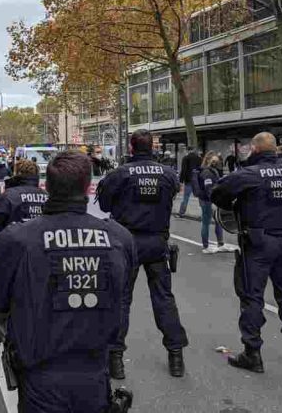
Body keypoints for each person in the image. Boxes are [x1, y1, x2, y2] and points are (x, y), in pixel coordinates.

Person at [0, 151, 135, 413]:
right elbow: (123, 295)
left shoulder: (16, 240)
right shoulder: (118, 237)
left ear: (48, 187)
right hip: (92, 369)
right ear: (87, 186)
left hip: (41, 372)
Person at [210, 132, 282, 373]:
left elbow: (218, 193)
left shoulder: (248, 174)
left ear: (255, 149)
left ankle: (252, 354)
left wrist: (239, 203)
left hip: (257, 243)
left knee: (252, 297)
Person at [97, 128, 188, 379]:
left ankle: (116, 359)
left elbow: (104, 205)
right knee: (164, 299)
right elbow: (171, 196)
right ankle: (176, 355)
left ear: (131, 147)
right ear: (153, 147)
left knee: (121, 300)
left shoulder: (119, 174)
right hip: (157, 242)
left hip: (126, 243)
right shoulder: (168, 174)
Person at [0, 159, 48, 375]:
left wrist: (6, 237)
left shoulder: (9, 195)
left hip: (10, 257)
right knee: (38, 305)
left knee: (1, 307)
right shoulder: (47, 196)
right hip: (42, 255)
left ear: (17, 172)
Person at [196, 152, 227, 254]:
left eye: (216, 160)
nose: (216, 162)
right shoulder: (207, 172)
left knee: (218, 221)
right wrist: (213, 201)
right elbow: (208, 188)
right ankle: (206, 246)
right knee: (206, 222)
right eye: (214, 161)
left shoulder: (212, 170)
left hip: (212, 199)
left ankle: (220, 243)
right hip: (207, 200)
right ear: (208, 160)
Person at [177, 146, 201, 217]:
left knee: (186, 197)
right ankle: (203, 213)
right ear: (193, 150)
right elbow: (200, 168)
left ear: (187, 150)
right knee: (200, 197)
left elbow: (184, 170)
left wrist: (181, 181)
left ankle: (181, 213)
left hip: (188, 180)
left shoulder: (186, 158)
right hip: (197, 180)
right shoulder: (199, 158)